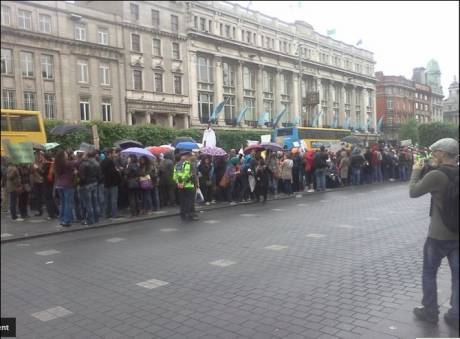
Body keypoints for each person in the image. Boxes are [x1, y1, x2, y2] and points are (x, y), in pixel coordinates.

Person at [409, 138, 459, 329]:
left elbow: (413, 192)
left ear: (442, 153)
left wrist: (415, 170)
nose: (432, 155)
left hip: (438, 235)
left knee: (429, 273)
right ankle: (455, 315)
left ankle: (430, 311)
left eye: (434, 151)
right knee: (458, 277)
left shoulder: (437, 175)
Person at [174, 151, 199, 221]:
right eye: (189, 156)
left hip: (180, 186)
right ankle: (190, 214)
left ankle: (183, 214)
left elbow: (174, 175)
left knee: (182, 201)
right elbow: (188, 175)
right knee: (190, 201)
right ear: (187, 156)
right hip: (189, 185)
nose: (190, 157)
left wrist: (178, 183)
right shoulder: (188, 164)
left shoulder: (177, 164)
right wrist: (195, 183)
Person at [78, 150, 101, 225]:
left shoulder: (84, 164)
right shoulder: (97, 163)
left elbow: (82, 177)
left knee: (88, 203)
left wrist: (80, 183)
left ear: (87, 155)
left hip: (86, 185)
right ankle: (96, 218)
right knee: (95, 202)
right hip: (94, 183)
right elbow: (99, 175)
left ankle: (90, 220)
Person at [54, 150, 76, 227]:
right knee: (68, 203)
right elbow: (75, 163)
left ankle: (62, 219)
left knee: (62, 203)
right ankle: (66, 221)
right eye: (66, 154)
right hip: (67, 184)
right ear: (63, 156)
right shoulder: (67, 163)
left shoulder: (56, 163)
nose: (67, 154)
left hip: (59, 184)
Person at [101, 148, 122, 219]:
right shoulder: (110, 162)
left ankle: (107, 213)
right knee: (114, 199)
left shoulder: (103, 162)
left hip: (106, 183)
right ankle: (114, 213)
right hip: (113, 183)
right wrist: (117, 172)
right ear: (109, 154)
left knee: (107, 199)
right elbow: (112, 172)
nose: (114, 154)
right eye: (113, 153)